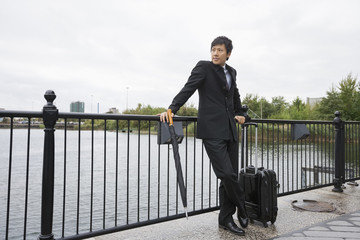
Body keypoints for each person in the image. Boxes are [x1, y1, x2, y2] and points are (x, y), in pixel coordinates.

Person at [159, 36, 248, 236]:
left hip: (230, 131)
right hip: (212, 131)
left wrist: (240, 113)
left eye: (220, 50)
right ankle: (242, 206)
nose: (215, 53)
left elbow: (235, 97)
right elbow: (188, 88)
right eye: (213, 50)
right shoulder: (204, 68)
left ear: (228, 54)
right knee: (225, 174)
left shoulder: (232, 72)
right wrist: (172, 109)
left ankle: (226, 219)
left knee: (230, 176)